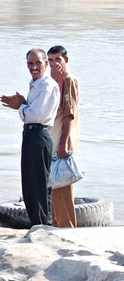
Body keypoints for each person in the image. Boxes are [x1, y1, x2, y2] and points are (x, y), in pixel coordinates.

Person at [1, 49, 60, 226]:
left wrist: (20, 106)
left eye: (38, 63)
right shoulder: (35, 85)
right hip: (31, 134)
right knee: (30, 183)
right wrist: (23, 104)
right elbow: (32, 111)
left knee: (38, 185)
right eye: (30, 63)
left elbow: (36, 115)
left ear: (46, 64)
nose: (34, 67)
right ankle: (38, 224)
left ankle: (43, 225)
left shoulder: (47, 86)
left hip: (39, 134)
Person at [47, 45, 80, 228]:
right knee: (55, 185)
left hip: (62, 141)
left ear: (65, 60)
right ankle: (58, 224)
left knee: (63, 187)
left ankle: (67, 227)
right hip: (54, 140)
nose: (53, 64)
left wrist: (63, 144)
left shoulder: (68, 80)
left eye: (57, 60)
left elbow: (69, 114)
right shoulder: (54, 80)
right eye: (50, 61)